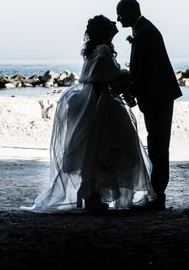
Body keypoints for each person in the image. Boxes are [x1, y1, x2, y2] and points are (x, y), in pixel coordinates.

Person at [21, 15, 155, 213]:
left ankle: (91, 195)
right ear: (104, 30)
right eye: (109, 22)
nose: (114, 22)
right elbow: (103, 80)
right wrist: (122, 81)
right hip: (102, 104)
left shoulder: (97, 50)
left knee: (93, 153)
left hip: (94, 101)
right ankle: (93, 197)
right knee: (103, 150)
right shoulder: (103, 51)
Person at [116, 0, 182, 210]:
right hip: (158, 95)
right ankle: (156, 193)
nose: (118, 19)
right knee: (157, 143)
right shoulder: (144, 29)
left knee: (158, 145)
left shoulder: (144, 33)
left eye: (121, 13)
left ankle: (157, 195)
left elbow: (145, 72)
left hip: (158, 97)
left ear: (132, 11)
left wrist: (130, 89)